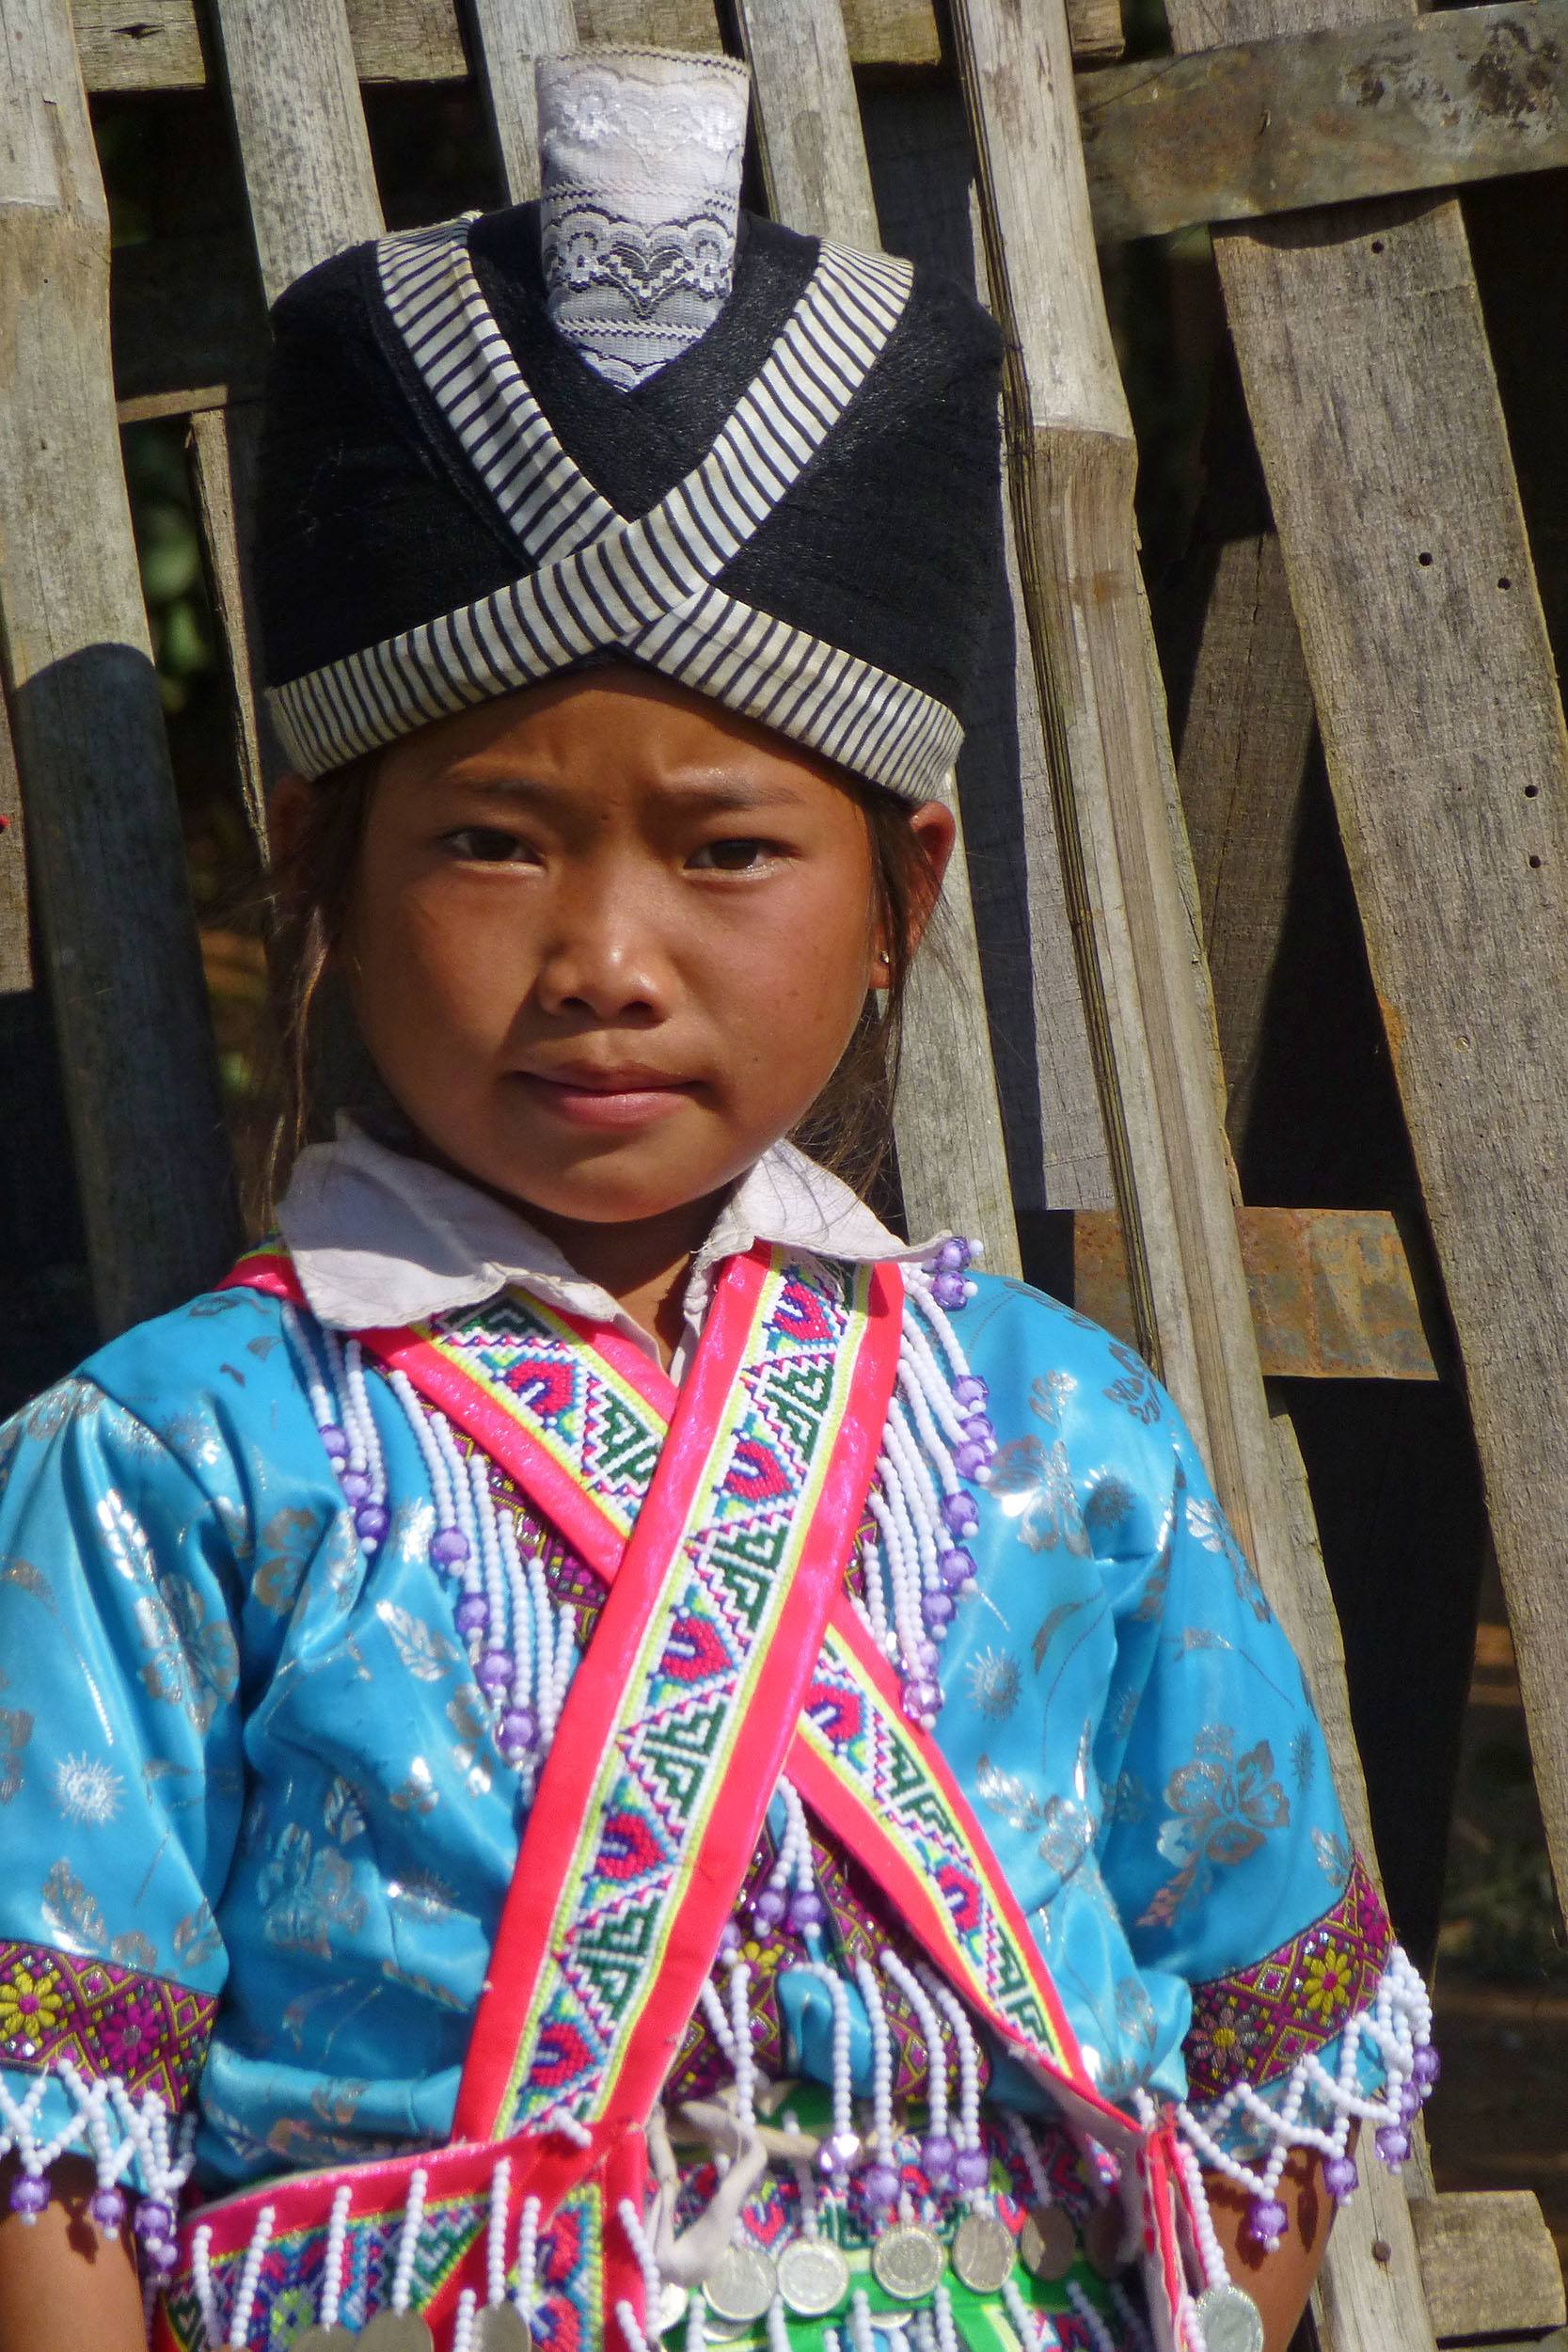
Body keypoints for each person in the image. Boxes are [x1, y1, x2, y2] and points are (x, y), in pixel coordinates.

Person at [0, 45, 1432, 2352]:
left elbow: (1267, 2037)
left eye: (728, 844)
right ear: (321, 877)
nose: (604, 955)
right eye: (487, 836)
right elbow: (55, 2141)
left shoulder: (1064, 1427)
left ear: (906, 897)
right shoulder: (177, 1460)